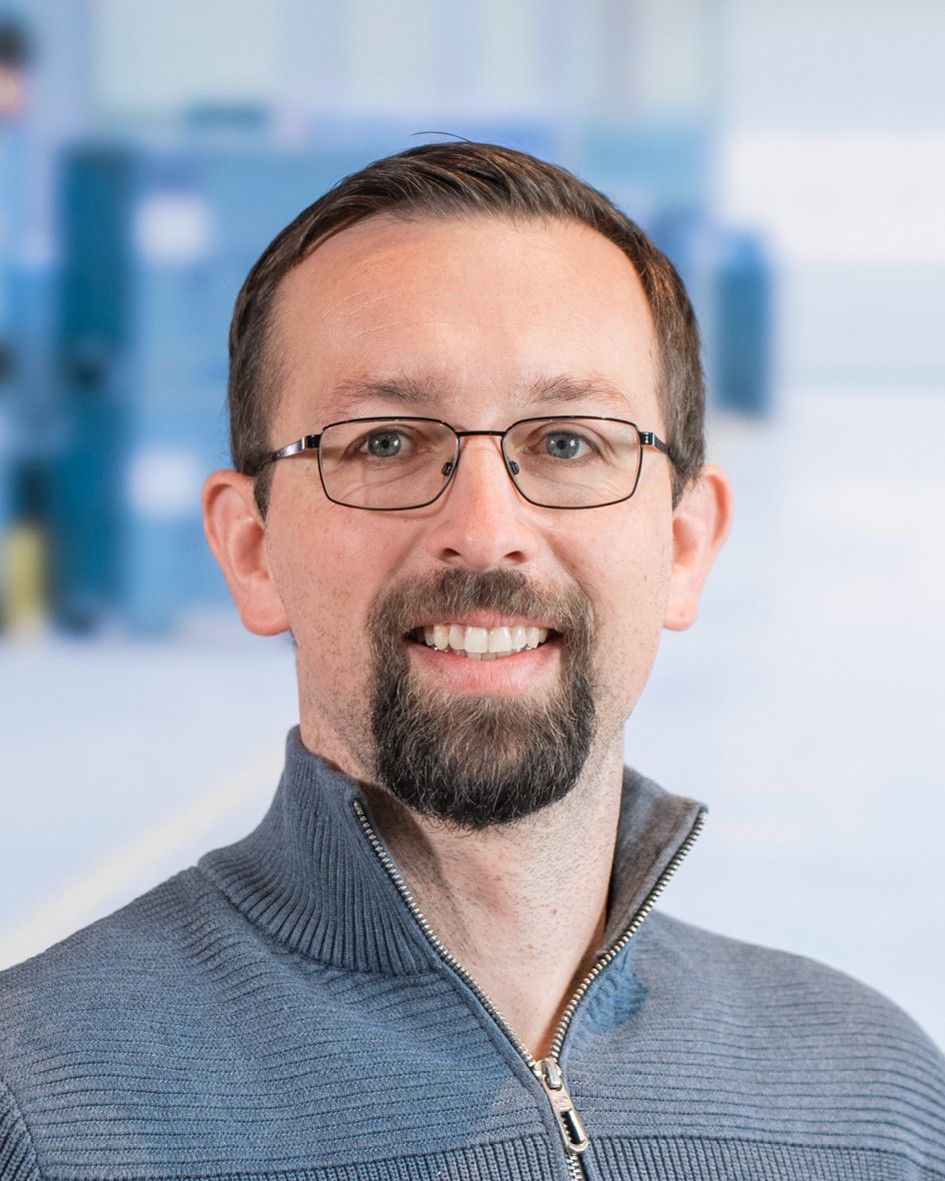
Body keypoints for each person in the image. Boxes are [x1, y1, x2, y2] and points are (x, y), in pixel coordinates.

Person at [1, 142, 943, 1181]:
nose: (487, 529)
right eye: (388, 442)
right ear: (252, 550)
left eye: (569, 444)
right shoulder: (39, 1109)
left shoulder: (876, 1102)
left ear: (683, 548)